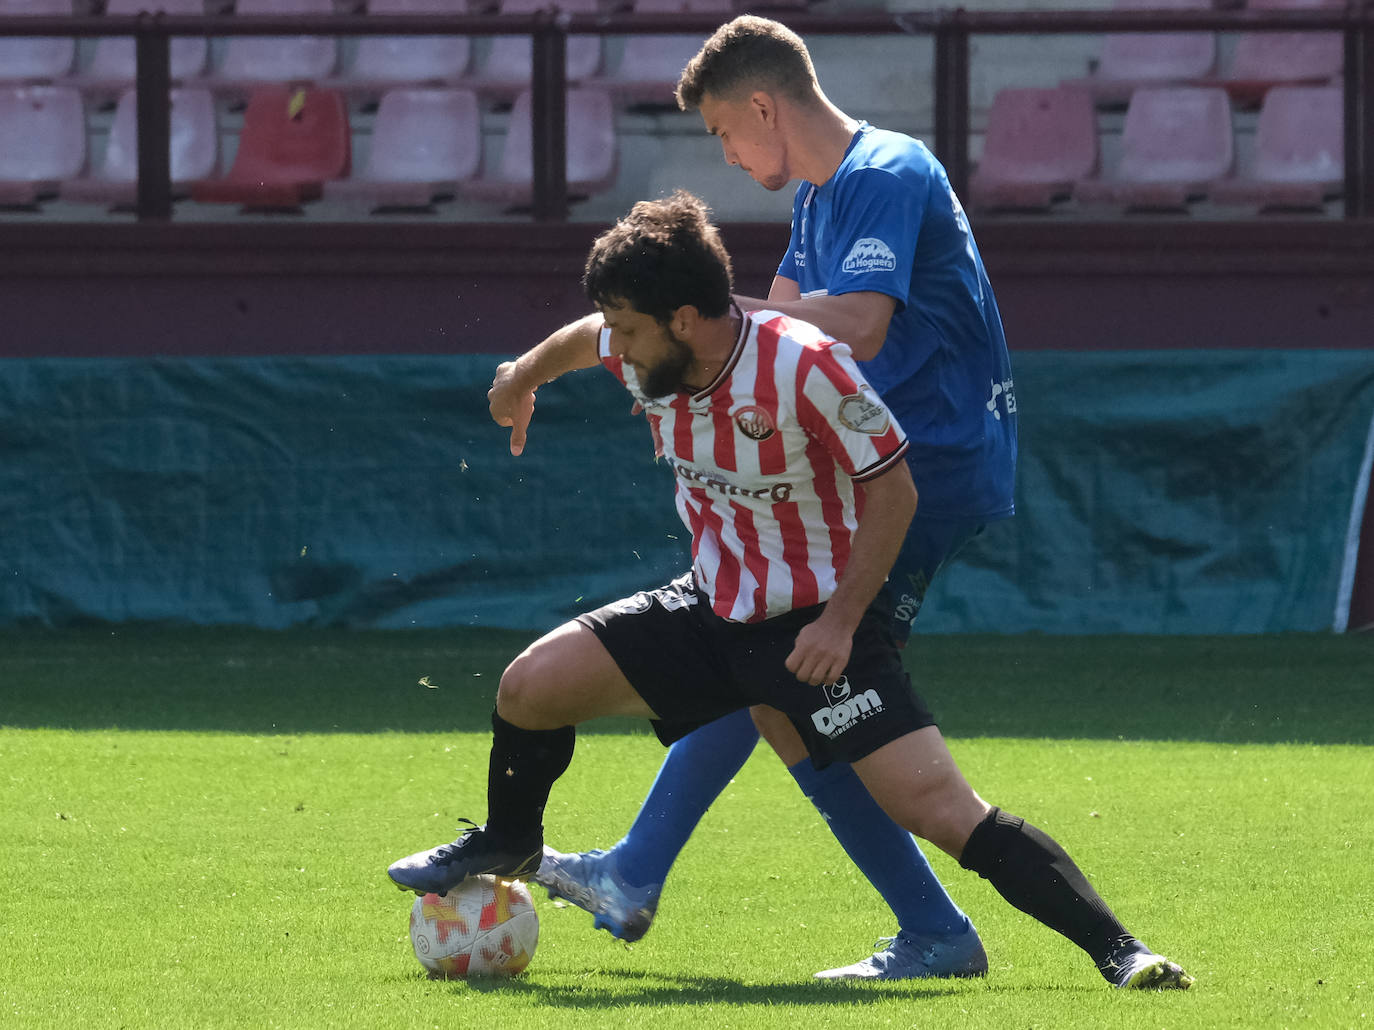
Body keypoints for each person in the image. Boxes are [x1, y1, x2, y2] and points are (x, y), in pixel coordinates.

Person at [387, 191, 1192, 992]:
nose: (618, 349)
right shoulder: (644, 344)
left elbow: (894, 491)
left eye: (630, 330)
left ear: (685, 319)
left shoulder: (802, 364)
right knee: (528, 687)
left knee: (944, 812)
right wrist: (519, 379)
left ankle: (1121, 951)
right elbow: (580, 340)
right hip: (708, 612)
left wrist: (841, 624)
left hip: (812, 631)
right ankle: (510, 841)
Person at [533, 14, 1018, 981]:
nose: (723, 150)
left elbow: (858, 329)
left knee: (790, 684)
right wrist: (684, 375)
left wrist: (692, 326)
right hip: (865, 466)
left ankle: (932, 931)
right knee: (765, 665)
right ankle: (637, 870)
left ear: (763, 106)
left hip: (922, 472)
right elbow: (761, 343)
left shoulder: (882, 174)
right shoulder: (819, 195)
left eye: (721, 130)